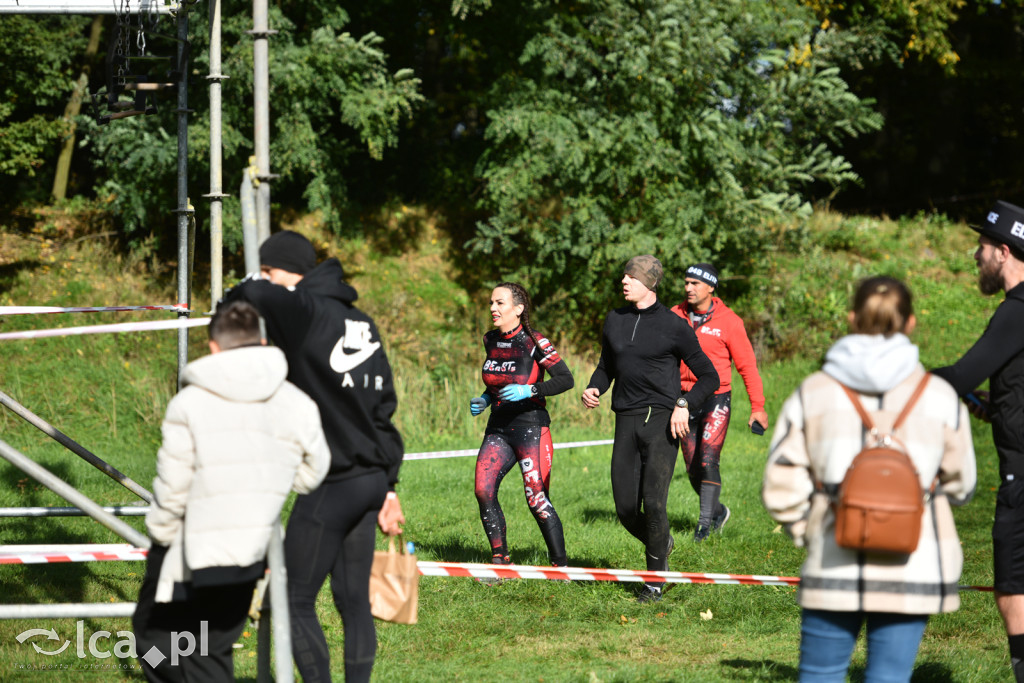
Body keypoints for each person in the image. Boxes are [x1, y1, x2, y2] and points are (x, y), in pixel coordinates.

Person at [763, 276, 976, 682]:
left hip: (833, 554)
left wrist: (807, 529)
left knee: (820, 675)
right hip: (914, 559)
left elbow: (782, 480)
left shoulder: (815, 391)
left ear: (851, 318)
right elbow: (963, 483)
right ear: (911, 323)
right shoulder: (939, 395)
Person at [223, 230, 406, 683]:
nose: (266, 278)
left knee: (292, 598)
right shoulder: (362, 321)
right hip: (369, 480)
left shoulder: (303, 307)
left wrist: (251, 281)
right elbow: (384, 409)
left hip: (333, 479)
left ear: (292, 271)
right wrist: (389, 486)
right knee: (352, 601)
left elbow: (246, 294)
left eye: (271, 270)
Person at [133, 300, 330, 683]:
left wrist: (158, 534)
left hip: (188, 549)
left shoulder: (188, 403)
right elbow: (314, 470)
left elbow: (173, 485)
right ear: (262, 341)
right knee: (209, 648)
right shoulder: (297, 401)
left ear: (213, 347)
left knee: (153, 638)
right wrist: (271, 484)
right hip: (253, 549)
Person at [582, 255, 719, 603]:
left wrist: (684, 405)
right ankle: (663, 543)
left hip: (661, 420)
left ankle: (654, 582)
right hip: (626, 419)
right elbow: (606, 365)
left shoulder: (674, 326)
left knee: (654, 503)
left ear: (649, 283)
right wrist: (595, 386)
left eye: (631, 277)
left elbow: (709, 376)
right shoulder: (614, 319)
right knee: (626, 509)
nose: (624, 282)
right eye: (624, 276)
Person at [932, 200, 1024, 682]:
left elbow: (964, 372)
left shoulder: (1016, 310)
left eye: (982, 247)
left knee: (1011, 585)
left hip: (1021, 474)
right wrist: (991, 404)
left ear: (1004, 252)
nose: (976, 255)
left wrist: (907, 377)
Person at [469, 282, 574, 570]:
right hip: (499, 428)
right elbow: (497, 381)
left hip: (531, 428)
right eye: (491, 302)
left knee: (537, 500)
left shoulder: (534, 341)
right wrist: (485, 399)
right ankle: (500, 561)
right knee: (483, 489)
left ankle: (560, 567)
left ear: (518, 308)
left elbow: (566, 379)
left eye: (500, 303)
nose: (493, 308)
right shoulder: (490, 339)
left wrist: (530, 391)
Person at [670, 263, 768, 542]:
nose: (688, 288)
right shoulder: (674, 315)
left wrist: (757, 407)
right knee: (692, 469)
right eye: (686, 282)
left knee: (709, 459)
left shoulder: (730, 322)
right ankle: (718, 512)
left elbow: (747, 366)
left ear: (710, 287)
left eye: (695, 284)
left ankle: (703, 526)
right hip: (684, 400)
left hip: (716, 398)